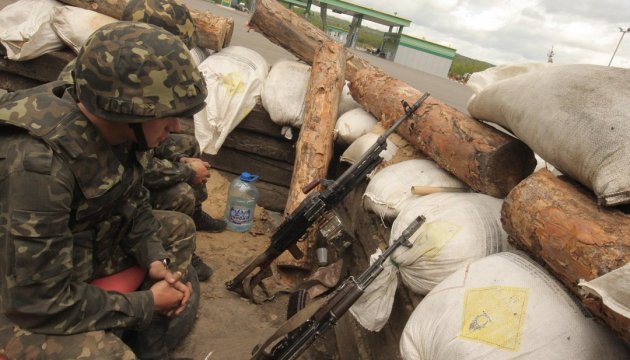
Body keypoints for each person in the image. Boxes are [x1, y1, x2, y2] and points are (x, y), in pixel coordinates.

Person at [0, 22, 206, 359]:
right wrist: (147, 303)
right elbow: (36, 301)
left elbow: (135, 201)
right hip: (20, 292)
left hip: (71, 247)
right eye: (167, 115)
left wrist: (153, 257)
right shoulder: (38, 166)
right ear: (126, 109)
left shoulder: (124, 132)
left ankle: (150, 344)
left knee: (177, 230)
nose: (175, 127)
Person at [59, 0, 225, 282]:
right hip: (97, 191)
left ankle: (193, 218)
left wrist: (178, 159)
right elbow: (131, 163)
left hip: (120, 162)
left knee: (188, 146)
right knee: (182, 192)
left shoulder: (127, 66)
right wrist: (184, 170)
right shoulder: (105, 80)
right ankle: (174, 244)